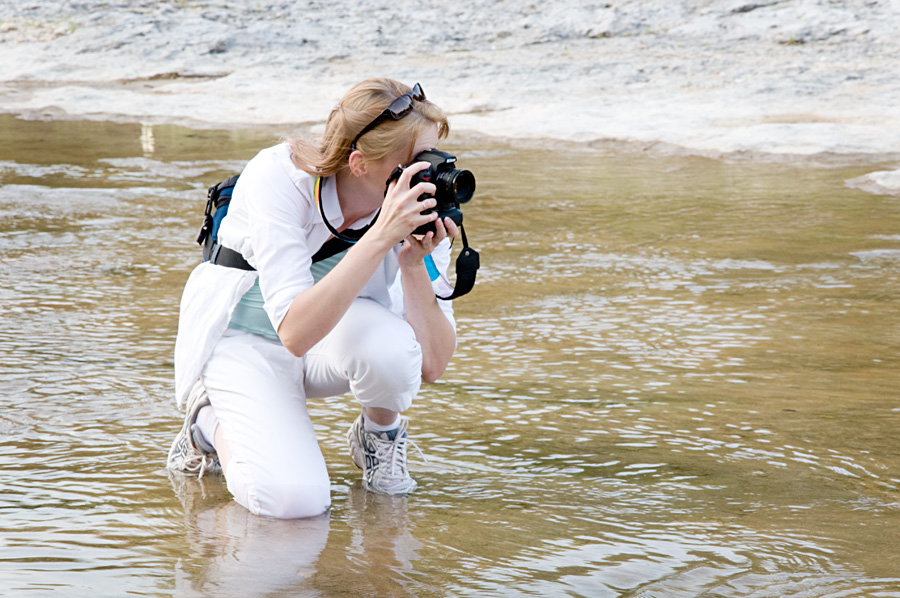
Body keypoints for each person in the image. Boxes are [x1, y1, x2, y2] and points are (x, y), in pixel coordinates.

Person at [166, 78, 459, 519]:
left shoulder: (419, 207)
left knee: (394, 352)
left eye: (436, 158)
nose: (430, 176)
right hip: (246, 339)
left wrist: (413, 264)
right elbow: (296, 333)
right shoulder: (279, 177)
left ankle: (379, 436)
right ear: (360, 164)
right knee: (294, 506)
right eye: (416, 164)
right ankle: (207, 423)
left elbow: (431, 364)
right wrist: (380, 237)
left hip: (332, 336)